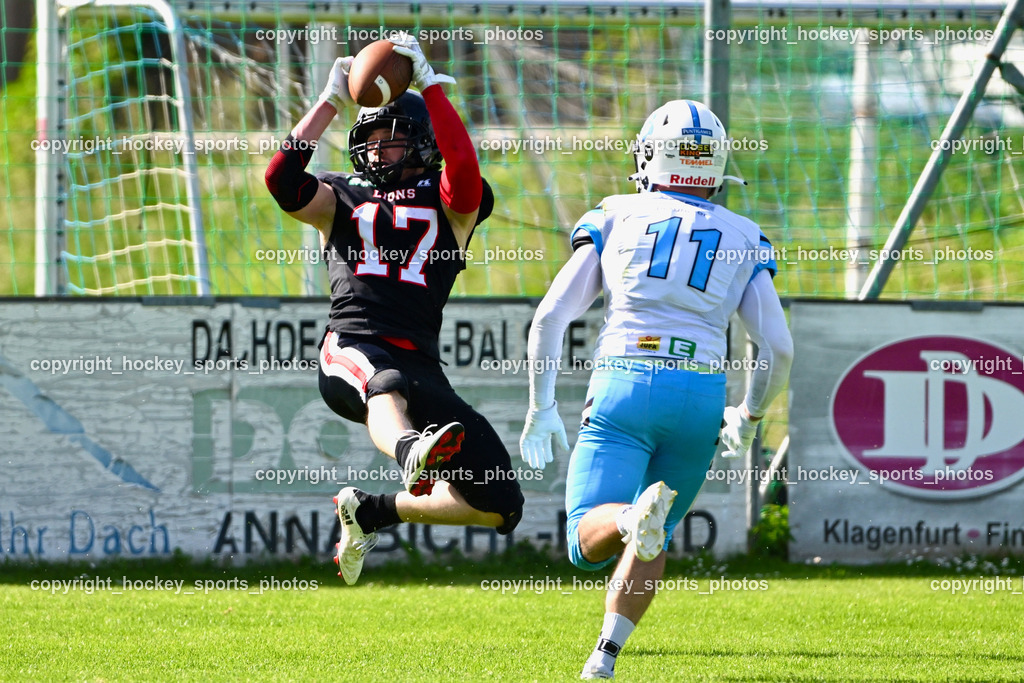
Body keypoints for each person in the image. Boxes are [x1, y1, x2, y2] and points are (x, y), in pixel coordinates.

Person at [519, 100, 793, 679]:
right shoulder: (745, 233)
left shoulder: (617, 213)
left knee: (586, 536)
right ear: (716, 166)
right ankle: (604, 657)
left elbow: (550, 317)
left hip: (626, 381)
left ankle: (624, 519)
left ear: (650, 156)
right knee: (654, 534)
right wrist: (747, 413)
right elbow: (778, 347)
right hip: (701, 395)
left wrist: (540, 407)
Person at [264, 34, 523, 585]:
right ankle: (409, 449)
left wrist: (432, 90)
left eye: (393, 138)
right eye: (372, 139)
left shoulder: (453, 203)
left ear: (425, 143)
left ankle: (374, 509)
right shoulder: (340, 196)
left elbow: (464, 171)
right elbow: (281, 181)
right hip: (353, 346)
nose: (379, 150)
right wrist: (331, 102)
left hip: (421, 362)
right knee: (385, 382)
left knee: (500, 502)